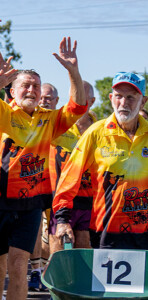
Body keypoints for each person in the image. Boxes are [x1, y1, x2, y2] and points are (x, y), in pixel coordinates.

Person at [52, 72, 148, 251]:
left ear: (143, 101)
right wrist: (62, 220)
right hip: (105, 232)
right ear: (110, 98)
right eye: (119, 96)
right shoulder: (95, 133)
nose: (124, 103)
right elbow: (69, 178)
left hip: (147, 233)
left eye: (131, 97)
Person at [0, 37, 87, 300]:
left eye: (36, 86)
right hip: (1, 201)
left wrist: (73, 71)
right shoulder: (5, 112)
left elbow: (79, 107)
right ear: (12, 91)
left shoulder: (48, 120)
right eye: (25, 85)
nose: (32, 90)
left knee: (18, 265)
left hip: (30, 205)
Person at [49, 81, 96, 253]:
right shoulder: (59, 127)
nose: (79, 100)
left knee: (83, 255)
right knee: (59, 255)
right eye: (75, 96)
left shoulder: (101, 129)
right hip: (62, 201)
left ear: (92, 101)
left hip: (90, 201)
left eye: (83, 97)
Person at [28, 82, 61, 291]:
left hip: (58, 188)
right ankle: (35, 272)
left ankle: (54, 275)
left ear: (57, 101)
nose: (44, 101)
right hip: (33, 184)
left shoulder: (65, 124)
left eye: (49, 98)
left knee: (55, 232)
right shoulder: (30, 121)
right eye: (42, 97)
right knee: (34, 228)